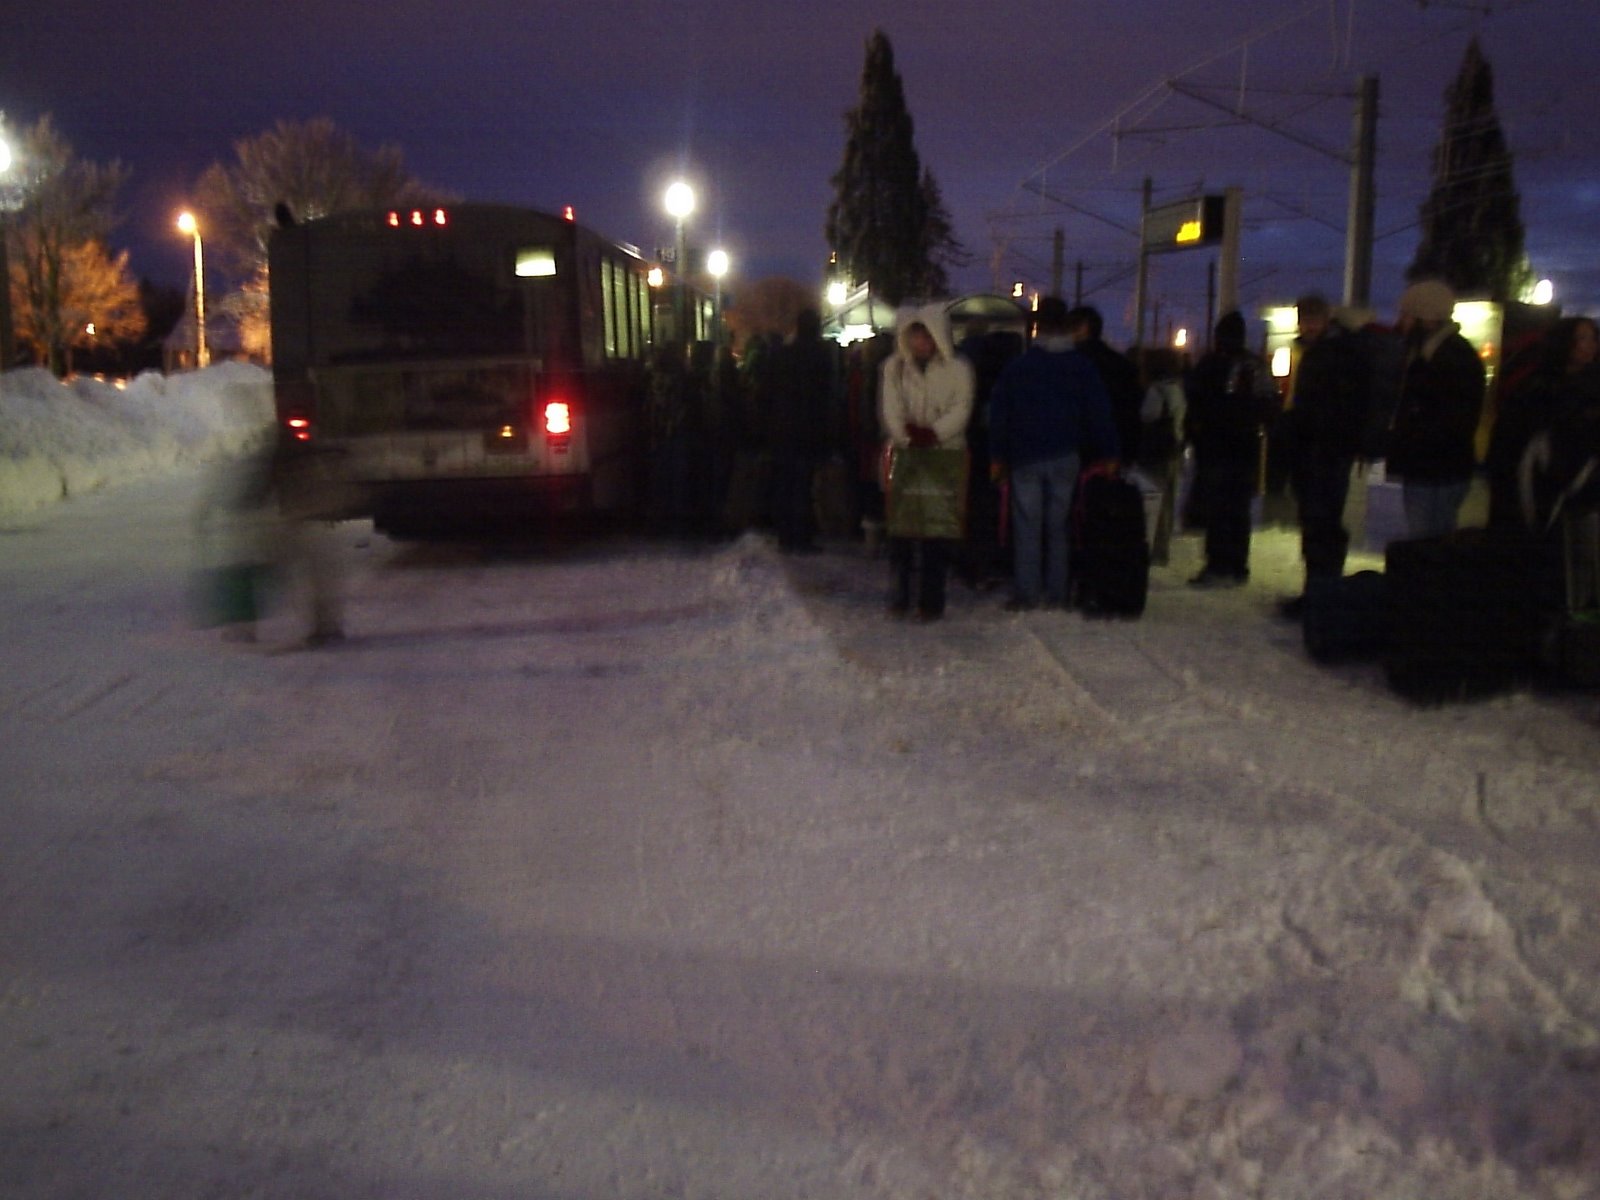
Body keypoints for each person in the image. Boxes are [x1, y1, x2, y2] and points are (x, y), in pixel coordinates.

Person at [988, 296, 1117, 610]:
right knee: (1059, 527)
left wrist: (997, 456)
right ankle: (1057, 593)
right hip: (1066, 454)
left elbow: (1000, 414)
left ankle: (1028, 593)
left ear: (1037, 326)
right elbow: (1099, 413)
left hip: (1025, 455)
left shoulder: (1019, 367)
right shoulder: (1081, 367)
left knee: (1027, 526)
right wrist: (1110, 452)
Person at [1276, 294, 1373, 616]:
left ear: (1325, 319)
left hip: (1325, 451)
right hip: (1315, 450)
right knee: (1317, 524)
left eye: (1312, 319)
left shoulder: (1331, 354)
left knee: (1322, 525)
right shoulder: (1318, 351)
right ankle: (1318, 592)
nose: (1307, 326)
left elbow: (1326, 407)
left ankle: (1322, 595)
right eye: (1303, 319)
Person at [880, 305, 975, 621]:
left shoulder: (959, 369)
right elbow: (891, 408)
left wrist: (934, 434)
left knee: (936, 531)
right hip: (906, 455)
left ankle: (930, 601)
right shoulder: (894, 368)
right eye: (916, 336)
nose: (922, 342)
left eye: (927, 335)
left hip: (944, 456)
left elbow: (961, 408)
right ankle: (900, 596)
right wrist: (906, 436)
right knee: (902, 530)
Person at [1183, 311, 1278, 588]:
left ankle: (1218, 564)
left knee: (1217, 508)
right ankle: (1237, 565)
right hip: (1245, 446)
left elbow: (1194, 401)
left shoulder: (1210, 364)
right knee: (1238, 508)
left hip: (1214, 446)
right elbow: (1269, 405)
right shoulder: (1255, 365)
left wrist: (1196, 433)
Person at [1387, 279, 1486, 539]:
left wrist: (1409, 441)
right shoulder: (1434, 353)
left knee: (1429, 542)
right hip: (1438, 467)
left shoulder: (1446, 359)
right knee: (1434, 540)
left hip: (1434, 470)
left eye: (1407, 315)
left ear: (1426, 319)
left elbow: (1448, 420)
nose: (1401, 321)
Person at [1486, 315, 1600, 527]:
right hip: (1538, 486)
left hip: (1578, 492)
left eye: (1593, 338)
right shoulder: (1538, 387)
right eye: (1582, 338)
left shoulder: (1589, 386)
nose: (1591, 345)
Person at [766, 308, 838, 553]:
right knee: (803, 484)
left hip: (783, 428)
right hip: (809, 429)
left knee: (786, 483)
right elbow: (826, 395)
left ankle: (785, 535)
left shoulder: (783, 355)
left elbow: (770, 392)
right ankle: (801, 536)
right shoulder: (821, 355)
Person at [1067, 304, 1144, 465]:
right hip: (1116, 446)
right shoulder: (1122, 364)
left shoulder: (1070, 363)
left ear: (1083, 328)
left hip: (1076, 449)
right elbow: (1132, 409)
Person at [1135, 346, 1187, 566]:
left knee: (1153, 500)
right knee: (1168, 501)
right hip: (1173, 450)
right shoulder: (1177, 389)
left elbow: (1147, 416)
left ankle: (1153, 548)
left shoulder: (1156, 390)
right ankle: (1162, 548)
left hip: (1155, 452)